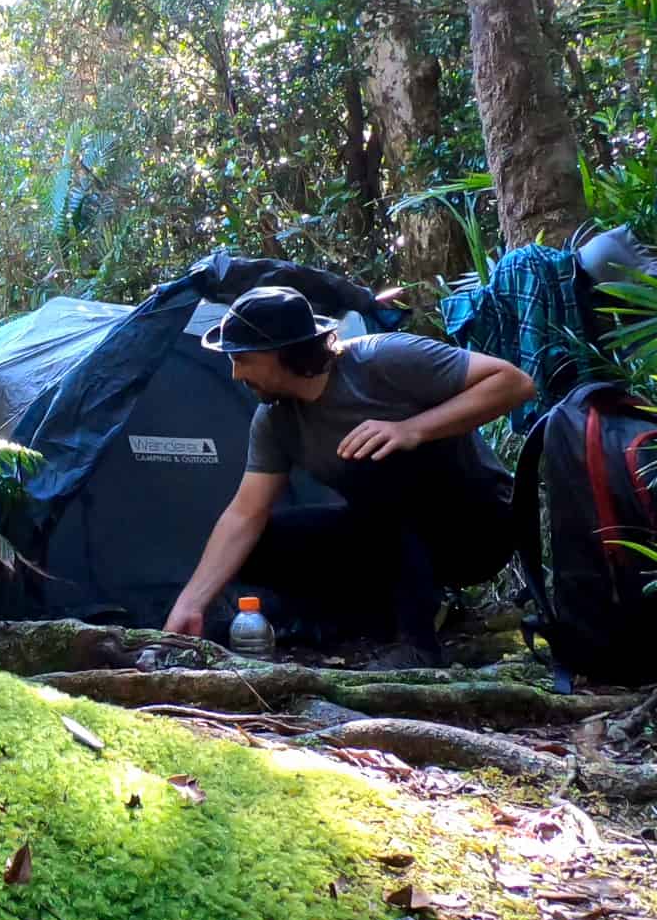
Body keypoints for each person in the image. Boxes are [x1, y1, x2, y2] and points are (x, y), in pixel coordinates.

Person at [162, 285, 535, 667]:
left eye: (243, 359)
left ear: (283, 352)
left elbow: (515, 383)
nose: (236, 373)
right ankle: (352, 628)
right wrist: (190, 604)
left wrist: (412, 429)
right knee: (261, 544)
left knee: (379, 457)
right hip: (391, 536)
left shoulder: (383, 359)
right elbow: (244, 514)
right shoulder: (276, 421)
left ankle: (418, 646)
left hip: (478, 528)